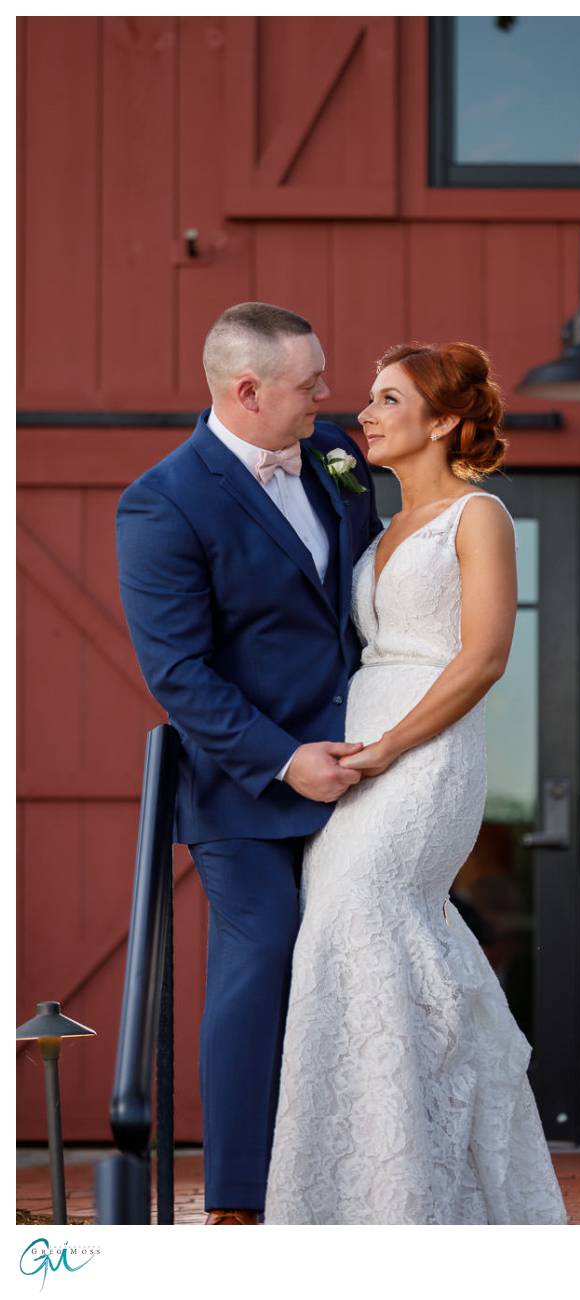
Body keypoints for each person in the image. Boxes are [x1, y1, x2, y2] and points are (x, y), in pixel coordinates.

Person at [263, 341, 569, 1224]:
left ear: (442, 422)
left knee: (367, 908)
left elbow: (483, 658)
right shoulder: (377, 521)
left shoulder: (480, 518)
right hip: (360, 740)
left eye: (388, 400)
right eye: (367, 398)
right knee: (341, 931)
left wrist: (393, 744)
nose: (365, 413)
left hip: (423, 750)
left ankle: (410, 1180)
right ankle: (356, 1176)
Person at [115, 302, 383, 1225]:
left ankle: (354, 1167)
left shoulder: (335, 456)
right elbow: (177, 672)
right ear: (246, 391)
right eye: (310, 383)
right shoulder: (163, 500)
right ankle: (237, 1200)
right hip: (247, 792)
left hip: (366, 771)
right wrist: (282, 761)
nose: (326, 396)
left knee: (373, 953)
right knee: (262, 951)